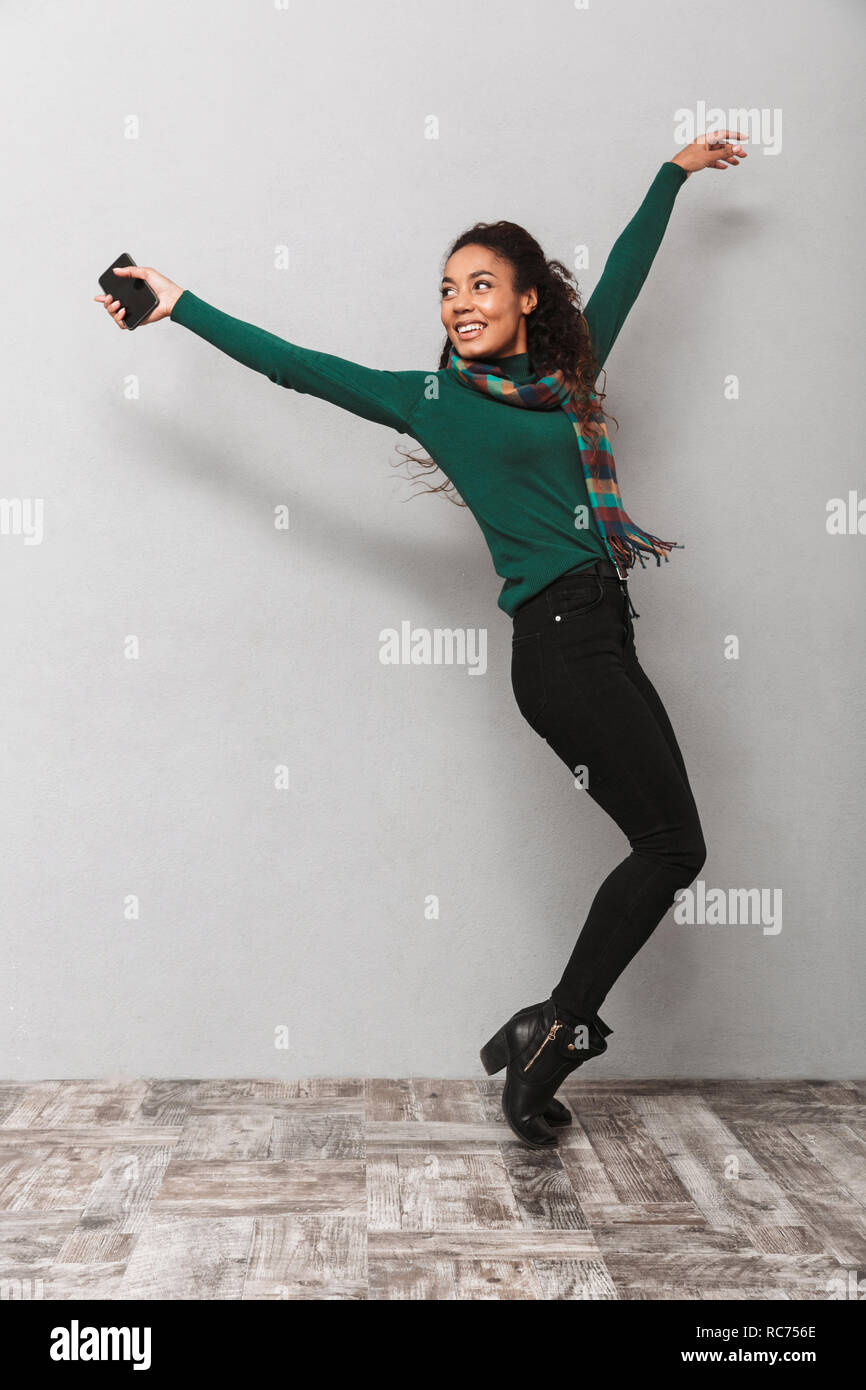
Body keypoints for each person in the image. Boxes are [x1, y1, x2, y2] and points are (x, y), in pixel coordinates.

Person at [95, 131, 748, 1148]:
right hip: (558, 645)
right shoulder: (433, 399)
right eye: (447, 289)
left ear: (527, 298)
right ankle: (550, 1035)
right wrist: (182, 304)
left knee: (670, 846)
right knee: (671, 846)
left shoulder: (568, 379)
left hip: (600, 636)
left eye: (480, 285)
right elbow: (298, 368)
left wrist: (671, 172)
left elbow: (625, 270)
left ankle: (546, 1031)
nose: (458, 303)